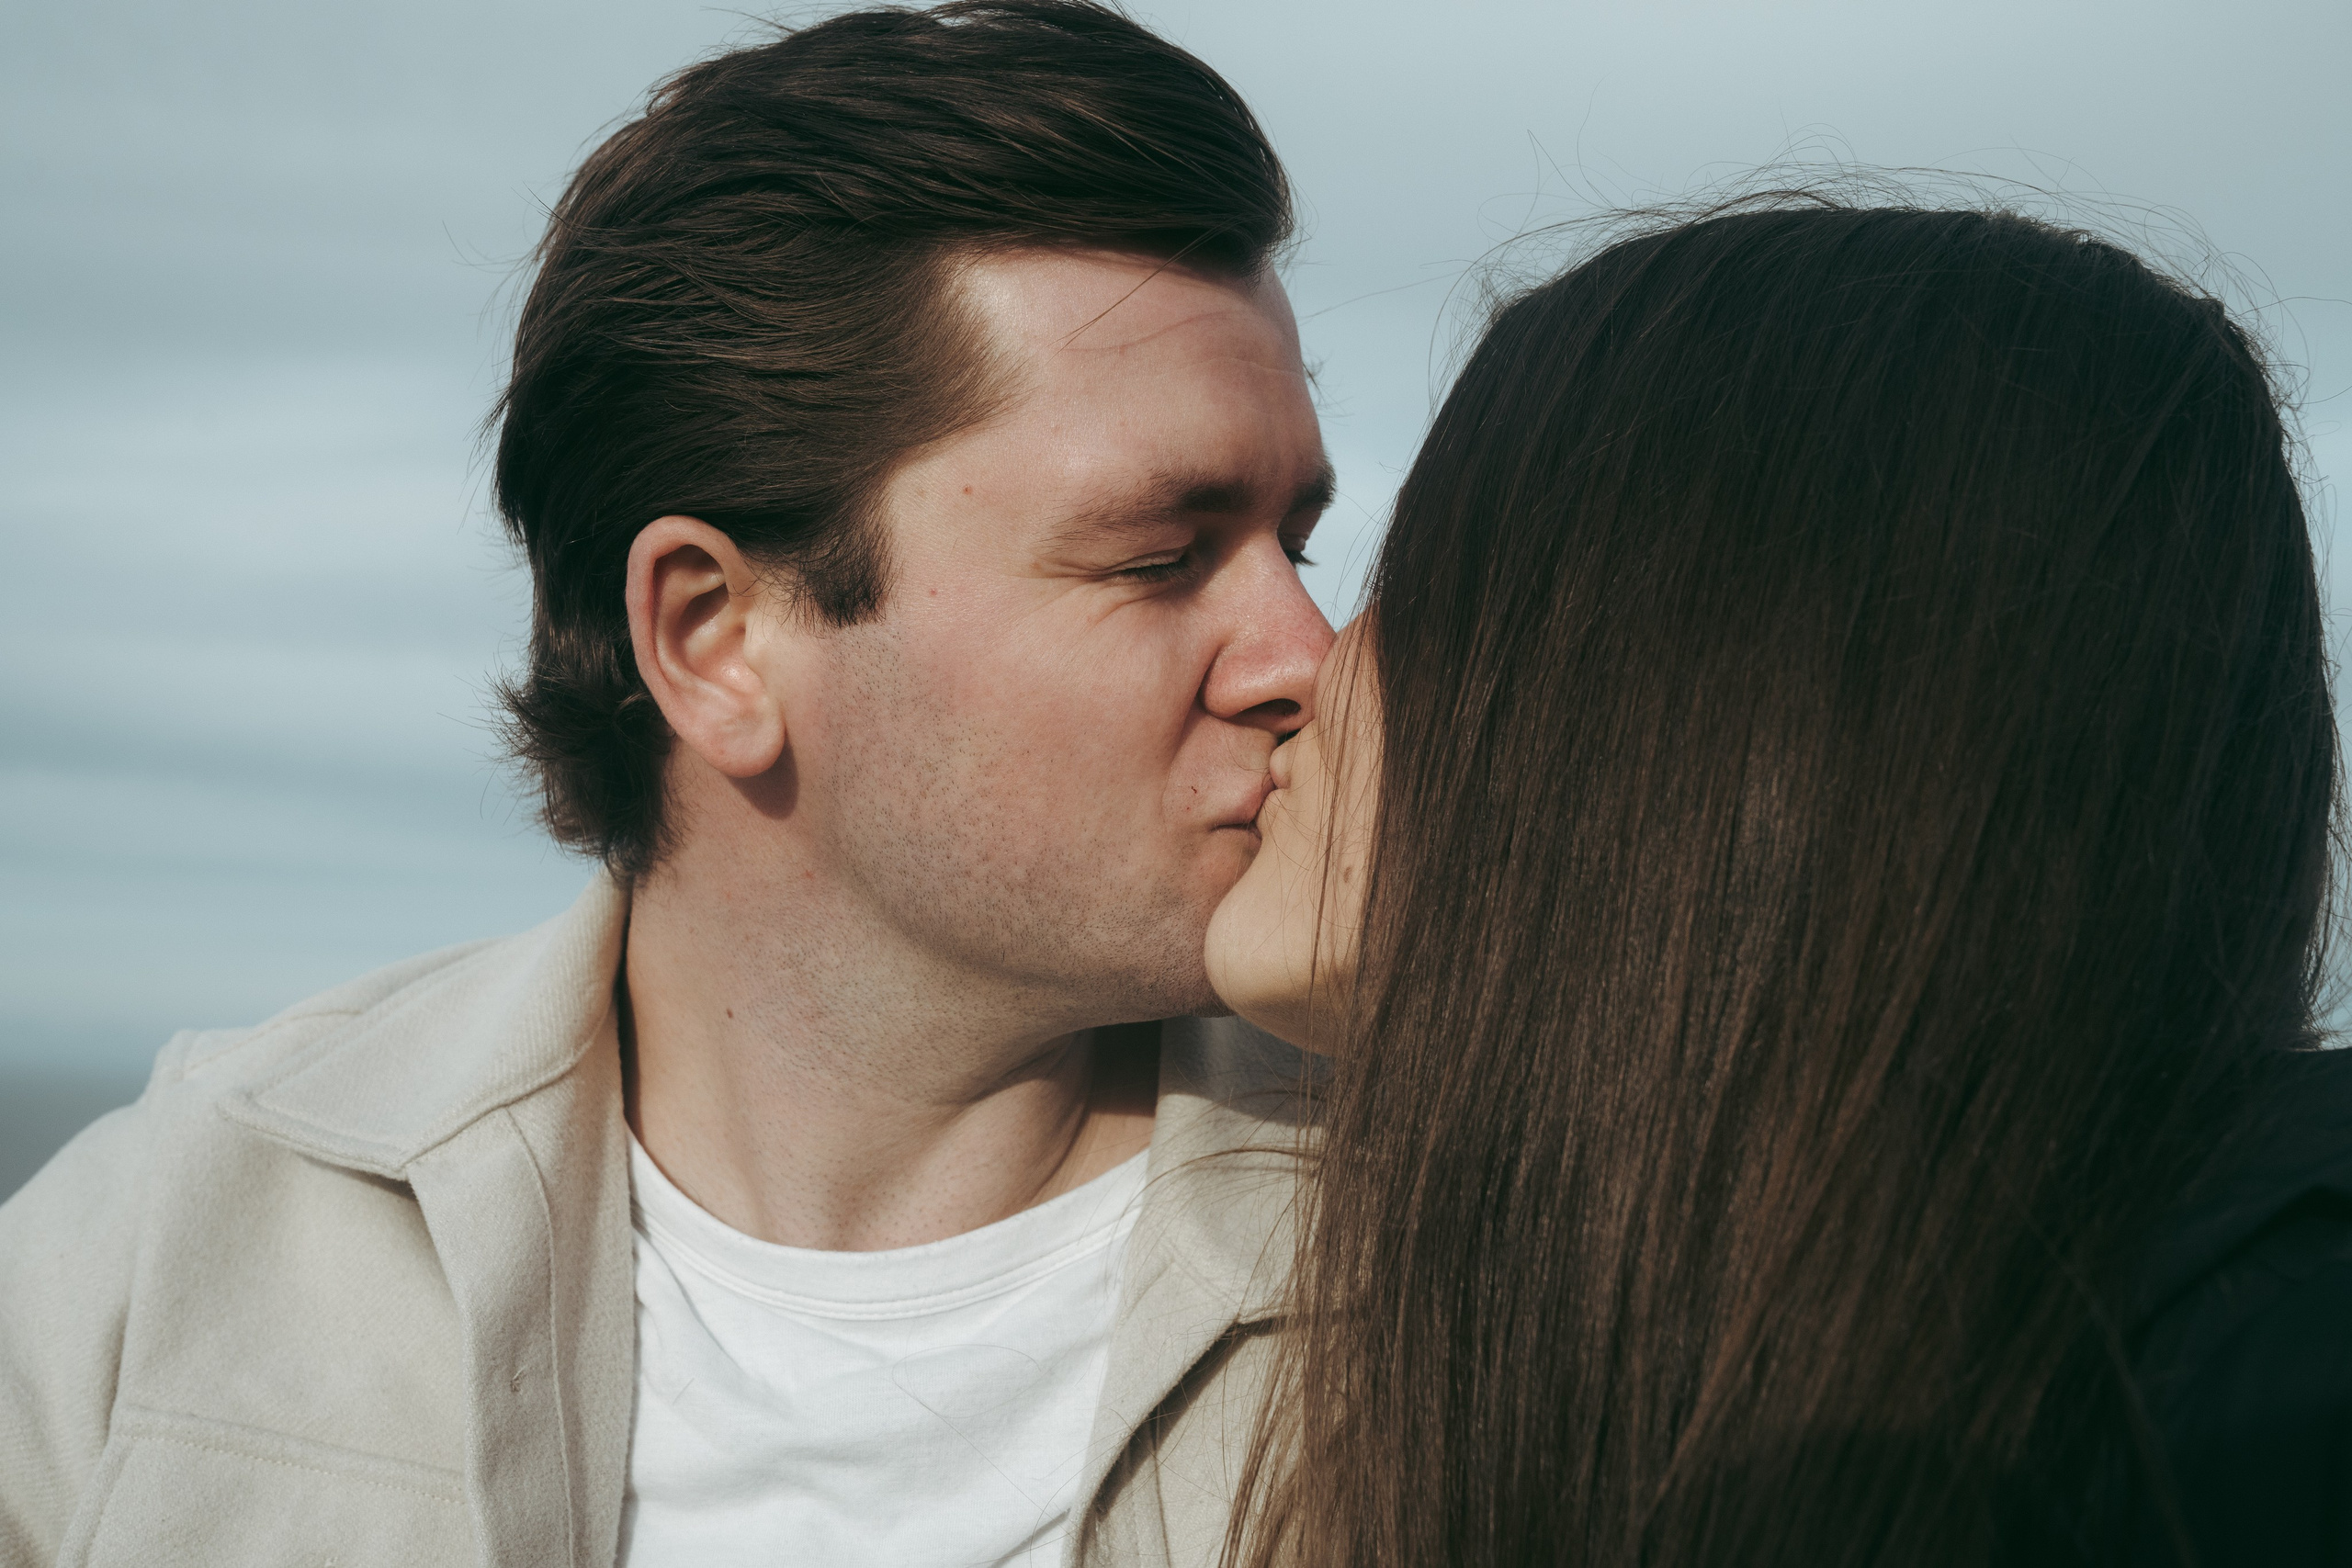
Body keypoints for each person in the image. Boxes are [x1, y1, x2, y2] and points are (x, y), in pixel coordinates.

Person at [0, 5, 1332, 1563]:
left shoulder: (1489, 1255)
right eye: (1162, 557)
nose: (1306, 654)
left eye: (1294, 544)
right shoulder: (172, 1240)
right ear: (714, 640)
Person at [1207, 201, 2352, 1565]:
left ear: (1686, 692)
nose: (1315, 663)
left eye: (1444, 578)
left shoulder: (2279, 1390)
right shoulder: (1670, 1315)